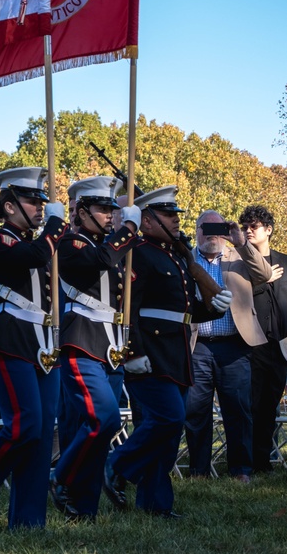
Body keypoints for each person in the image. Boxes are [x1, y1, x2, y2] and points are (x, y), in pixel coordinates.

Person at [104, 186, 230, 518]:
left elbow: (184, 310)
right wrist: (131, 352)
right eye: (168, 215)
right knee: (168, 418)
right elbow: (127, 308)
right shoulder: (138, 253)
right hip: (150, 350)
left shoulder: (175, 254)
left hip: (176, 350)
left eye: (176, 215)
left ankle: (156, 504)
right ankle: (116, 465)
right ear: (146, 219)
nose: (176, 221)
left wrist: (214, 308)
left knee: (170, 430)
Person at [0, 167, 66, 530]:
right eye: (32, 201)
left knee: (39, 432)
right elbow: (29, 257)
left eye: (41, 201)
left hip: (44, 343)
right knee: (24, 425)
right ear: (8, 206)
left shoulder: (41, 242)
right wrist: (53, 227)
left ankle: (28, 519)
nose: (39, 207)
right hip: (11, 339)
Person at [52, 176, 139, 522]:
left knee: (97, 430)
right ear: (82, 211)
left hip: (111, 346)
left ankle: (84, 507)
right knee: (105, 418)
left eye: (111, 209)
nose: (109, 215)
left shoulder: (111, 247)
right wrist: (130, 226)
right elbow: (99, 260)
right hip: (82, 341)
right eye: (102, 208)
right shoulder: (70, 243)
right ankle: (59, 477)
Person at [183, 210, 272, 482]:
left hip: (234, 346)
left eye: (217, 229)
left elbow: (265, 273)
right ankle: (198, 470)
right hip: (196, 345)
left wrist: (240, 242)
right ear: (196, 231)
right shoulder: (185, 259)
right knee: (196, 410)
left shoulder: (239, 258)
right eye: (205, 229)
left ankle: (240, 470)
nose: (212, 235)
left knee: (238, 410)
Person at [238, 205, 287, 474]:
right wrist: (262, 281)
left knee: (269, 407)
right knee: (248, 406)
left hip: (279, 346)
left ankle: (264, 462)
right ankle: (245, 462)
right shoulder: (237, 261)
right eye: (245, 226)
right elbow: (234, 299)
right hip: (246, 345)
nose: (248, 230)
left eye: (254, 226)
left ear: (269, 230)